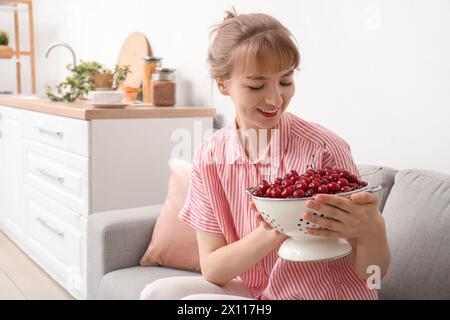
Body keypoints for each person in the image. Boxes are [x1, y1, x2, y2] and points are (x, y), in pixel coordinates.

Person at [140, 9, 390, 300]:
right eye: (256, 85)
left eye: (285, 81)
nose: (275, 99)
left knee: (195, 303)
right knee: (157, 294)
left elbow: (372, 275)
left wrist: (373, 228)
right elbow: (213, 269)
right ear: (223, 84)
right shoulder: (210, 156)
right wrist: (277, 226)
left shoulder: (324, 148)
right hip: (263, 294)